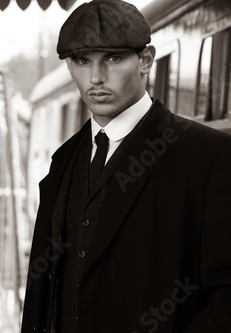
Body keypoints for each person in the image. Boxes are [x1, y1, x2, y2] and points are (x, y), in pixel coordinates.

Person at [21, 0, 231, 332]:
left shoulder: (210, 156)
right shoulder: (62, 161)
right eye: (81, 61)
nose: (95, 77)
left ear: (146, 60)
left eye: (113, 59)